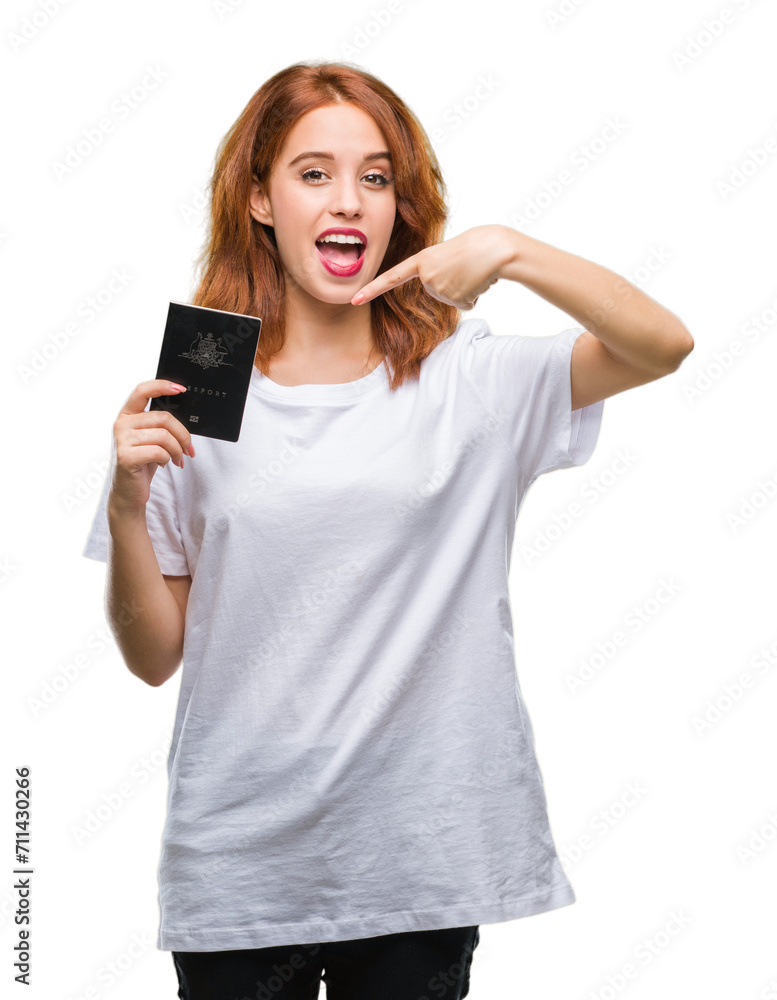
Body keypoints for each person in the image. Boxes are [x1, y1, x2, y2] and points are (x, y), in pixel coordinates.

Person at [82, 60, 694, 1000]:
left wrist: (511, 249)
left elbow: (662, 345)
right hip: (240, 862)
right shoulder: (197, 390)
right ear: (258, 199)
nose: (350, 201)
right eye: (313, 172)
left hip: (420, 859)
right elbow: (152, 656)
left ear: (400, 206)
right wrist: (127, 505)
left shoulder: (469, 381)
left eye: (375, 177)